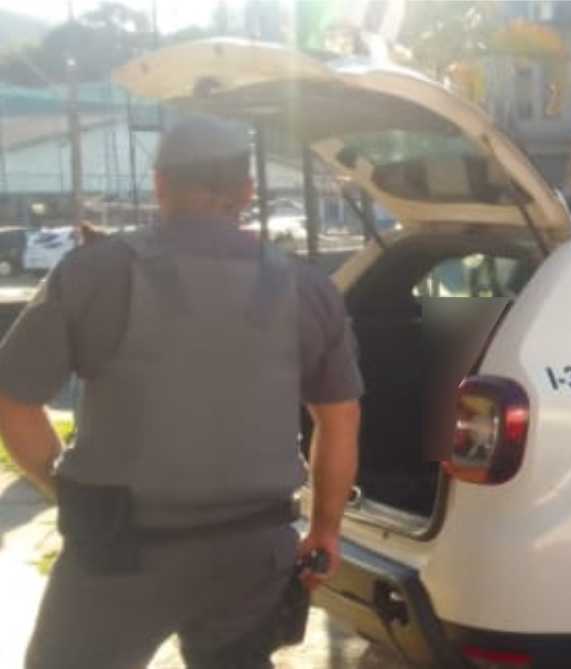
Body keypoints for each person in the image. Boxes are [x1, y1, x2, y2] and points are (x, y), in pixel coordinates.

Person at [0, 116, 363, 668]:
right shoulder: (307, 287)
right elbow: (339, 421)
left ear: (160, 184)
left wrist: (64, 487)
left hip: (117, 552)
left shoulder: (93, 273)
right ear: (248, 190)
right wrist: (326, 529)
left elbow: (12, 401)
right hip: (253, 549)